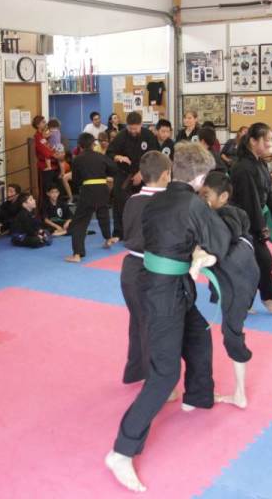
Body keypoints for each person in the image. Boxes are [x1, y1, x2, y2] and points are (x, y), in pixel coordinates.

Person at [105, 142, 231, 493]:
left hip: (162, 283)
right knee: (165, 375)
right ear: (201, 178)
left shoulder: (154, 200)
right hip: (163, 292)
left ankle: (198, 395)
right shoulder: (193, 204)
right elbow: (220, 243)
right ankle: (121, 451)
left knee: (199, 333)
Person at [201, 171, 259, 408]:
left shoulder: (225, 216)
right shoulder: (232, 212)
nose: (202, 199)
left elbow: (225, 233)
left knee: (232, 333)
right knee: (232, 327)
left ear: (223, 197)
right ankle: (239, 393)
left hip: (238, 281)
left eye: (206, 195)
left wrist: (202, 257)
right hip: (242, 275)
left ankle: (240, 395)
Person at [118, 150, 171, 383]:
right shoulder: (166, 202)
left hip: (130, 268)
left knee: (138, 320)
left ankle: (135, 371)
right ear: (166, 174)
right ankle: (155, 380)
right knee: (152, 325)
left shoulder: (132, 200)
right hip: (152, 270)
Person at [229, 122, 272, 315]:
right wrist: (261, 228)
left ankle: (245, 301)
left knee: (255, 262)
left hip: (254, 219)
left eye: (271, 140)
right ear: (254, 141)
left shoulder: (260, 163)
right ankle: (266, 298)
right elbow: (250, 201)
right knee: (263, 260)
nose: (270, 144)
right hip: (242, 222)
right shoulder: (242, 167)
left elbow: (268, 191)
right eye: (267, 140)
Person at [106, 111, 159, 240]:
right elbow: (109, 153)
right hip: (124, 174)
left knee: (146, 203)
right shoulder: (121, 136)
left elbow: (155, 155)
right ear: (127, 125)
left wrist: (142, 173)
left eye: (136, 128)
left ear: (141, 124)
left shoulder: (148, 135)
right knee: (119, 201)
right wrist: (118, 157)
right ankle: (119, 232)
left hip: (145, 174)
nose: (133, 131)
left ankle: (146, 232)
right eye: (130, 128)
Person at [66, 133, 116, 263]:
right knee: (103, 214)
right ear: (93, 144)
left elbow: (76, 180)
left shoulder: (77, 159)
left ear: (80, 145)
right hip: (103, 188)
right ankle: (108, 239)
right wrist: (103, 175)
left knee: (80, 222)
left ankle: (77, 254)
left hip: (88, 190)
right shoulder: (101, 156)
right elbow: (113, 168)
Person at [32, 115, 60, 201]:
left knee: (55, 190)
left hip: (54, 165)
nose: (45, 123)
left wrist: (56, 153)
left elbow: (49, 147)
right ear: (38, 125)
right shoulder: (37, 137)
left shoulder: (43, 136)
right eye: (43, 122)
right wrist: (53, 154)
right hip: (45, 167)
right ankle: (44, 208)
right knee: (46, 191)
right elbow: (45, 151)